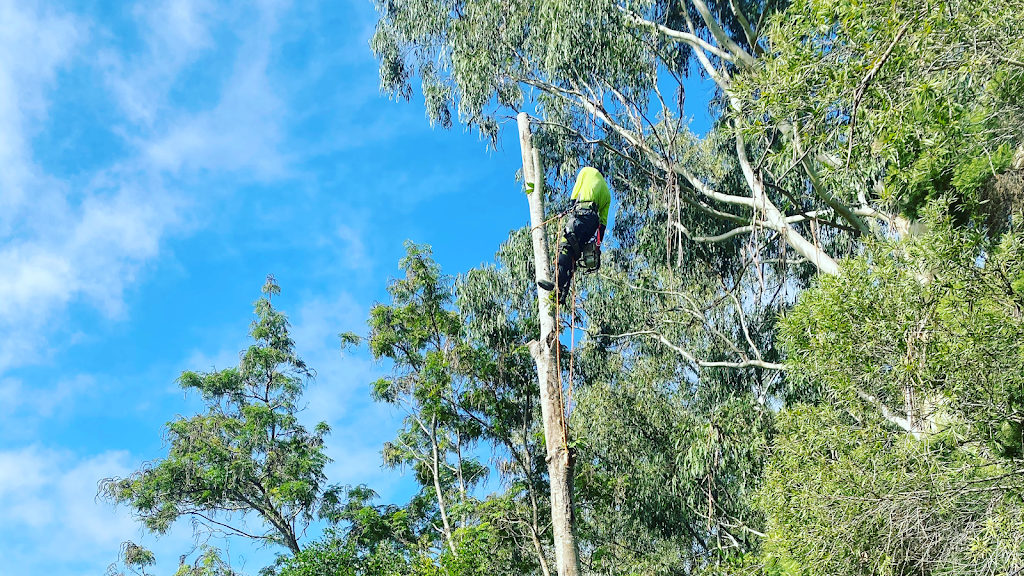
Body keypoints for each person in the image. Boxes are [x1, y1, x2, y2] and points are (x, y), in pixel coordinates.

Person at [537, 166, 611, 305]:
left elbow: (575, 193)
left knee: (565, 245)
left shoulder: (587, 170)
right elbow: (603, 223)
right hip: (592, 224)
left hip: (581, 214)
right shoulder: (607, 193)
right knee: (574, 254)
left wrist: (572, 207)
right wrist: (598, 246)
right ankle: (562, 293)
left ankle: (556, 283)